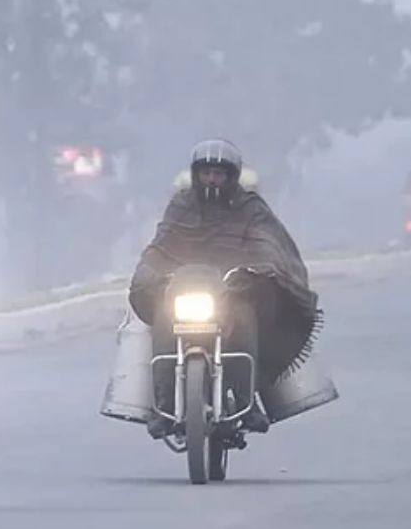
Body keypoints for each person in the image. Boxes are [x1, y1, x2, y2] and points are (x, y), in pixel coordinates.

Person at [129, 140, 319, 439]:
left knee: (244, 318)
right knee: (164, 319)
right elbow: (162, 243)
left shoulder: (250, 208)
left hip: (232, 291)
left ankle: (247, 400)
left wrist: (257, 272)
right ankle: (163, 405)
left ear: (232, 176)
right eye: (206, 173)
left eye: (218, 174)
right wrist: (149, 270)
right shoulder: (182, 205)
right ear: (196, 175)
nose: (212, 180)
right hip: (185, 289)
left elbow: (267, 245)